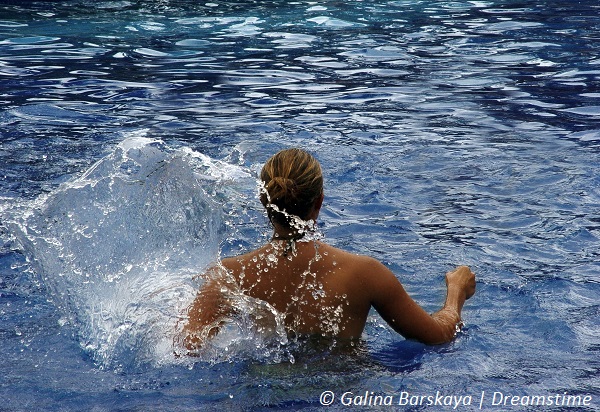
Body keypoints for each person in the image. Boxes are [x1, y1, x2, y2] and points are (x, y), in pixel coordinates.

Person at [182, 148, 475, 350]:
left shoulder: (230, 275)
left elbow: (187, 349)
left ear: (264, 203)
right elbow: (438, 337)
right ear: (319, 202)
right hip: (339, 392)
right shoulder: (365, 274)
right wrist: (456, 293)